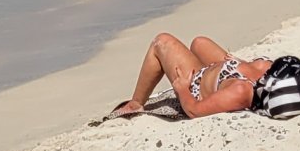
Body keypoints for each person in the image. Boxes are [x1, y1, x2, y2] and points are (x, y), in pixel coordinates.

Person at [107, 32, 273, 119]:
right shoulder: (268, 69)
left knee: (161, 41)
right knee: (199, 42)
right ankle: (221, 68)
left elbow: (194, 111)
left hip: (196, 85)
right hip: (223, 74)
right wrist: (241, 63)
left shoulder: (240, 91)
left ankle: (135, 104)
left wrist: (182, 89)